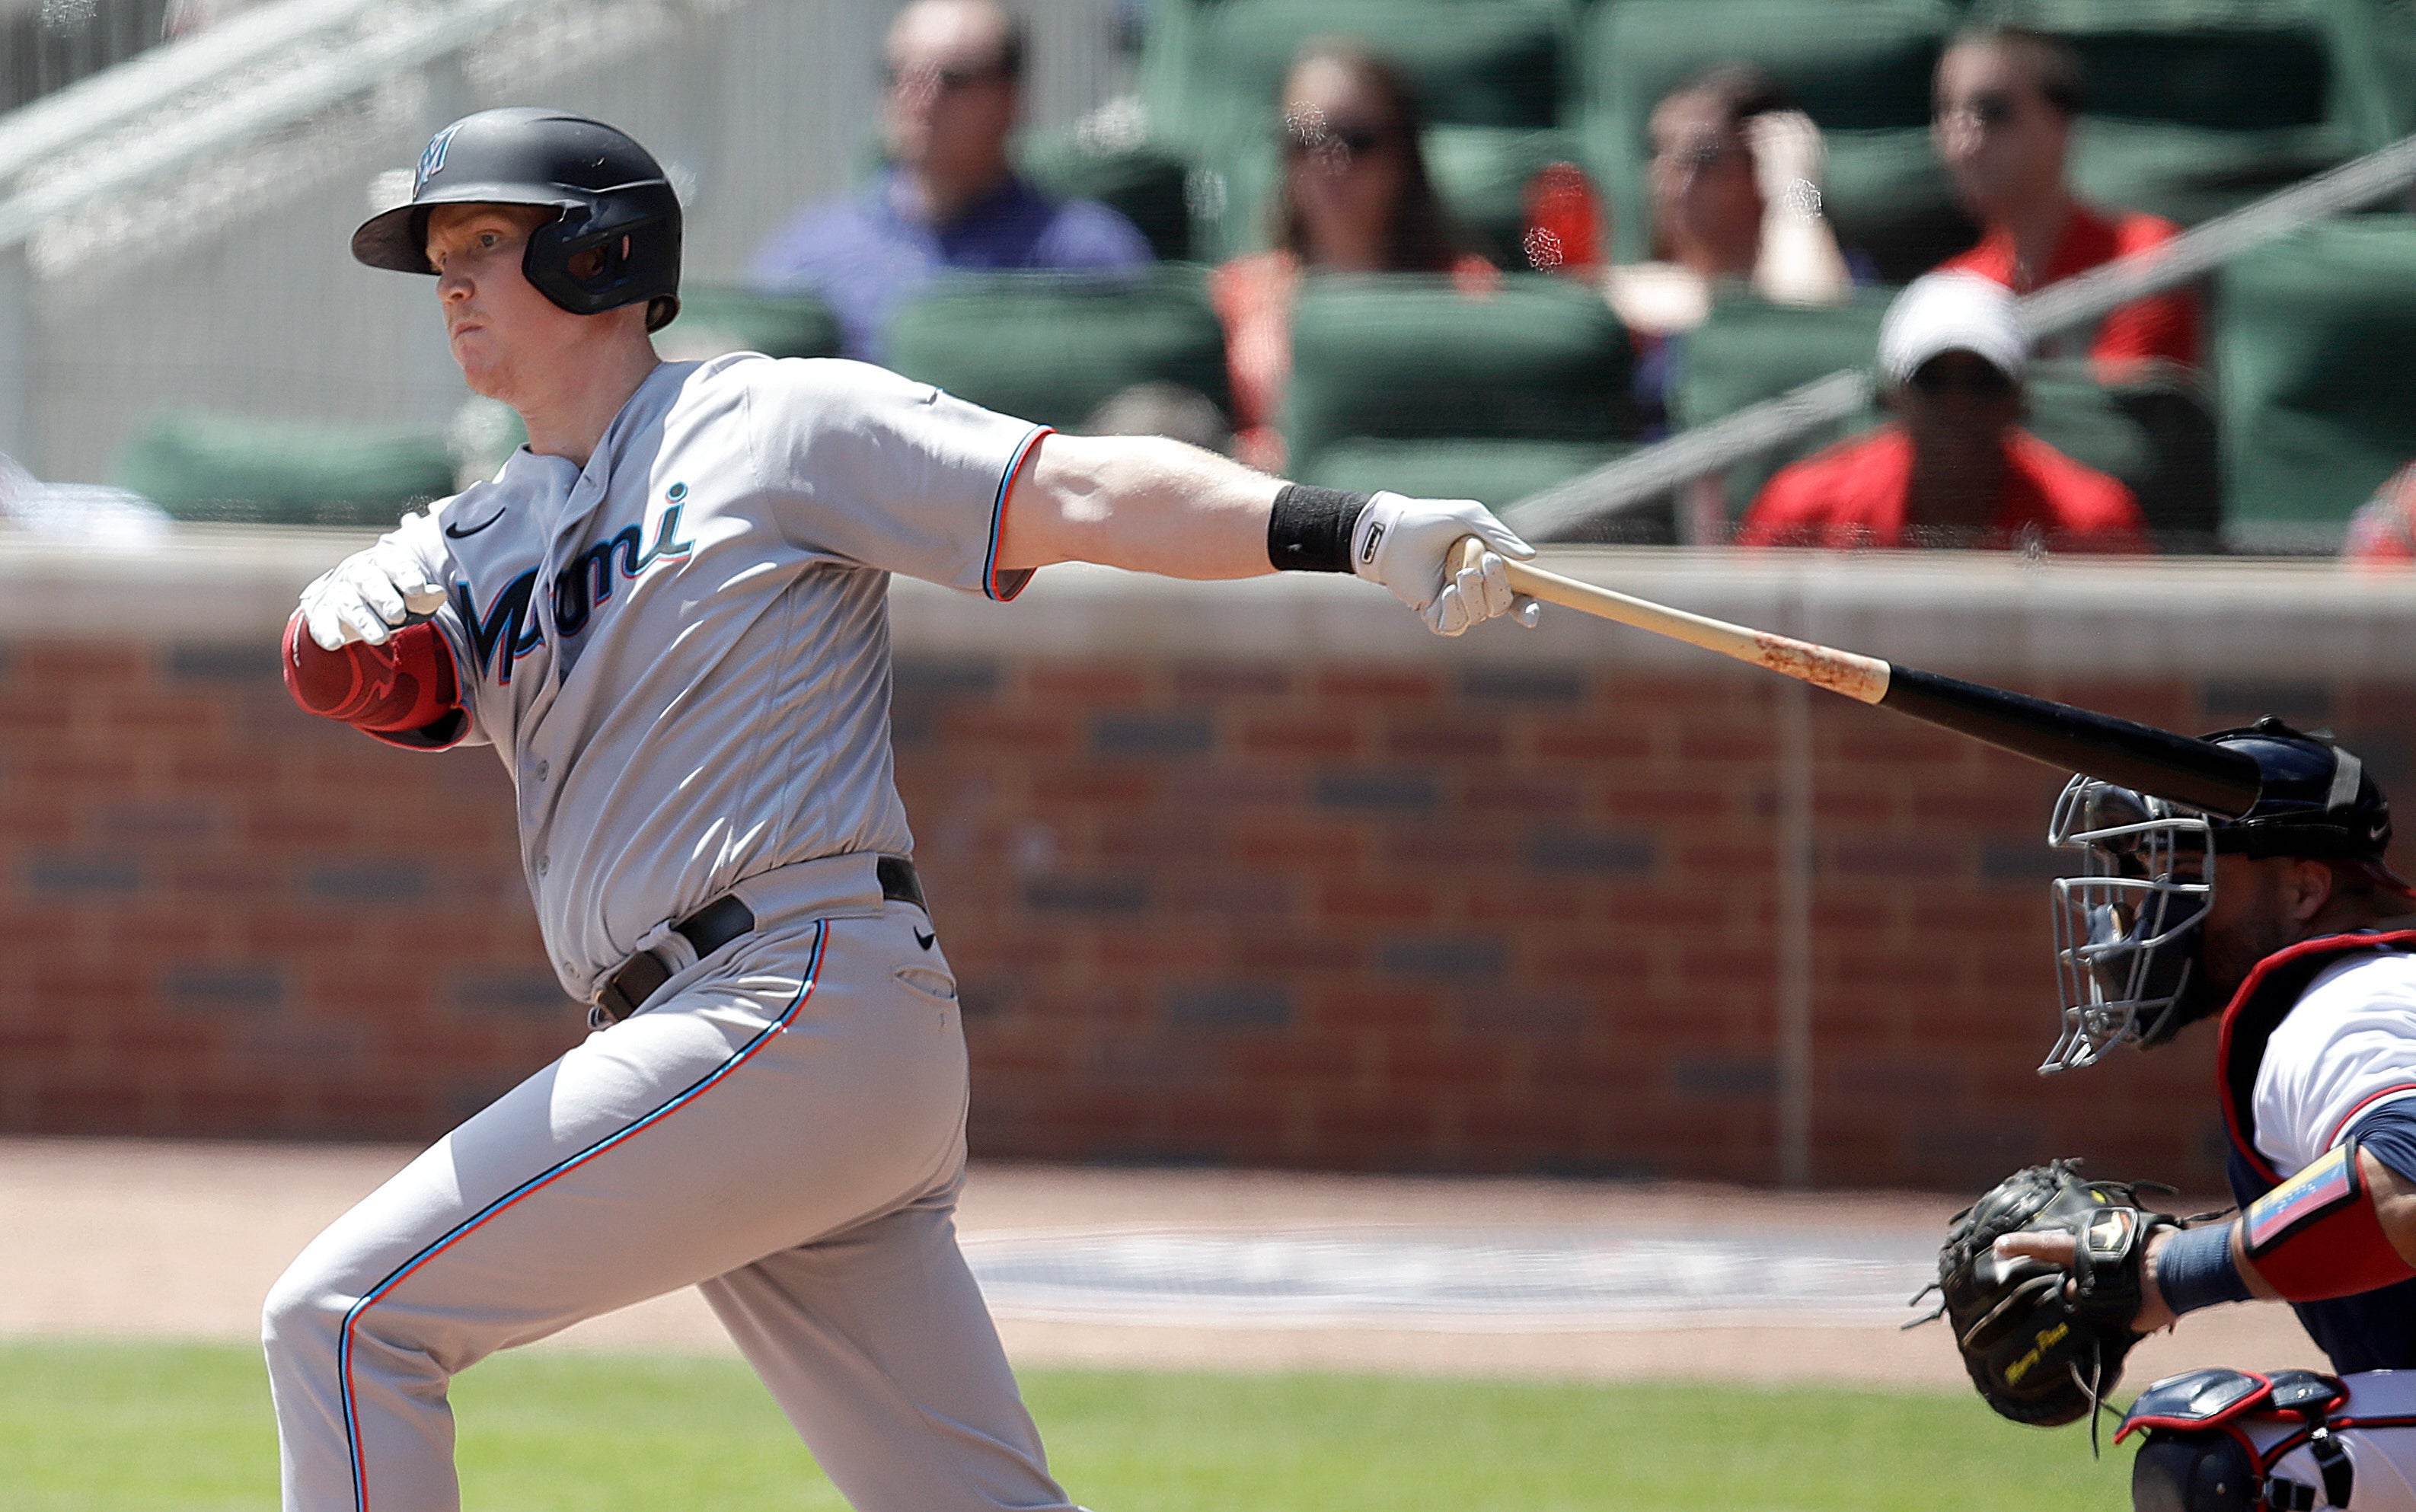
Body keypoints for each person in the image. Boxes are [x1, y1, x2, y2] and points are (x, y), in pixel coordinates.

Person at [263, 107, 1537, 1512]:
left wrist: (1349, 528)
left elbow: (1086, 492)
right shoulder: (481, 530)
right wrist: (330, 634)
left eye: (488, 244)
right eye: (438, 254)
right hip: (751, 1044)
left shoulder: (773, 419)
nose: (451, 283)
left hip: (787, 998)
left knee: (344, 1322)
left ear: (599, 252)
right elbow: (392, 688)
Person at [1991, 719, 2416, 1510]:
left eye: (2187, 869)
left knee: (2230, 1461)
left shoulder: (2343, 1007)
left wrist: (2167, 1274)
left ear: (2300, 888)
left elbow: (2406, 1190)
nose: (2152, 905)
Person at [748, 0, 1153, 363]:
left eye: (952, 79)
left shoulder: (1086, 255)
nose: (918, 97)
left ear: (1010, 98)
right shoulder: (812, 254)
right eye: (898, 75)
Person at [1208, 41, 1497, 474]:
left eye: (1357, 141)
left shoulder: (1467, 292)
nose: (1329, 161)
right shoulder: (1238, 294)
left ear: (1402, 155)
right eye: (1306, 139)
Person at [1737, 271, 2149, 551]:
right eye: (1932, 380)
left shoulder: (2094, 523)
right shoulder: (1803, 513)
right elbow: (1737, 671)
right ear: (1894, 395)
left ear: (2020, 398)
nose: (1959, 404)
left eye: (1983, 381)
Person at [1931, 27, 2198, 378]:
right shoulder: (1953, 287)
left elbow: (2106, 416)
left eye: (1992, 112)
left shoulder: (2145, 256)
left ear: (2061, 122)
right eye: (1946, 112)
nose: (1963, 140)